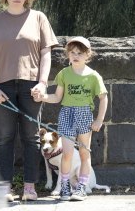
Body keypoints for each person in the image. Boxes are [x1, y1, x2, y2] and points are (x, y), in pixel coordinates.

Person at [0, 0, 59, 202]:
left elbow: (46, 54)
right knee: (4, 136)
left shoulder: (39, 18)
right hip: (2, 85)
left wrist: (43, 84)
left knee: (32, 137)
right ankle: (5, 188)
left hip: (31, 85)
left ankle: (30, 187)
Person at [32, 37, 108, 201]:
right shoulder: (64, 74)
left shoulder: (94, 76)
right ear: (68, 54)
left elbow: (103, 98)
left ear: (88, 55)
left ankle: (81, 187)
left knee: (84, 154)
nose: (75, 55)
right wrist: (42, 97)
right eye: (72, 52)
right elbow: (57, 97)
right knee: (66, 154)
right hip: (67, 114)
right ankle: (65, 187)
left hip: (85, 115)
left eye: (80, 53)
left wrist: (99, 120)